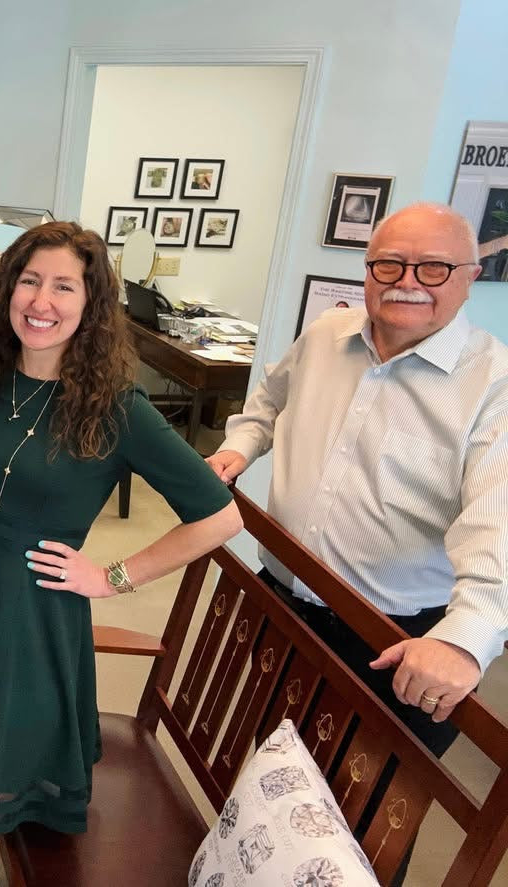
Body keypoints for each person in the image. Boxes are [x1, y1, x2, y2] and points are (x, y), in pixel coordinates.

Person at [0, 221, 242, 886]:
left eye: (64, 287)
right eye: (30, 281)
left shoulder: (118, 407)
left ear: (91, 304)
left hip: (27, 620)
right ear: (8, 289)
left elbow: (220, 517)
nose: (41, 301)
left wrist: (113, 576)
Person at [206, 204, 508, 842]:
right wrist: (241, 447)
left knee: (356, 834)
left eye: (433, 267)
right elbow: (268, 401)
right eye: (389, 264)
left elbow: (497, 527)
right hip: (282, 606)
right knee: (268, 792)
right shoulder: (326, 335)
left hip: (390, 644)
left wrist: (463, 642)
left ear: (470, 276)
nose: (407, 282)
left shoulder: (493, 383)